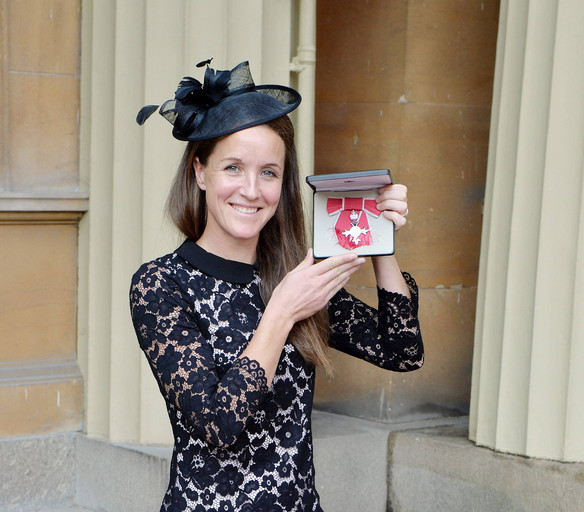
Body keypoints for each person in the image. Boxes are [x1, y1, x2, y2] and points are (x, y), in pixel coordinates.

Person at [130, 60, 423, 512]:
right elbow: (218, 425)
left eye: (269, 172)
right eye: (233, 167)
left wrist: (379, 240)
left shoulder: (290, 272)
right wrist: (283, 311)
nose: (251, 189)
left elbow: (401, 350)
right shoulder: (161, 284)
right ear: (200, 172)